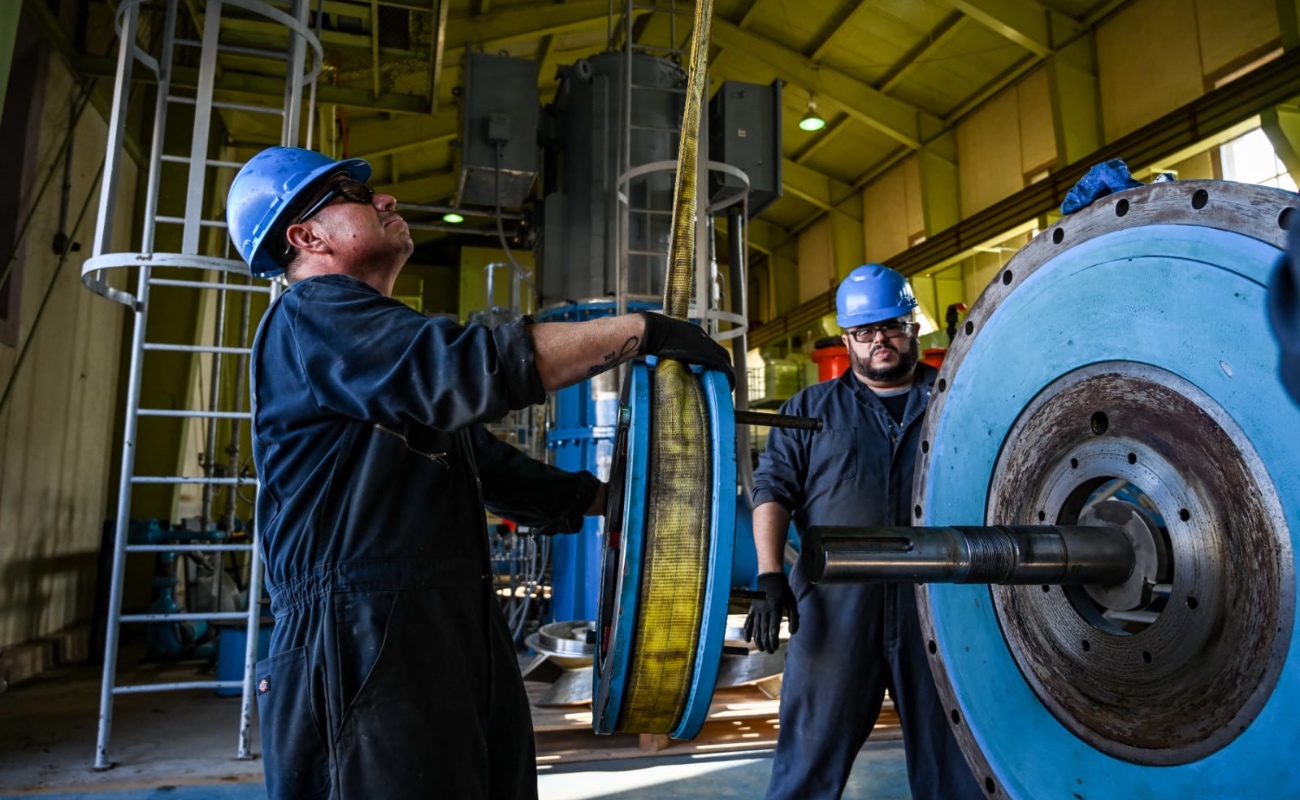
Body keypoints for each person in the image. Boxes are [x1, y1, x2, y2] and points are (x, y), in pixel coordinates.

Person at [224, 146, 734, 800]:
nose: (385, 200)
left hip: (434, 621)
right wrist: (641, 331)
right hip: (356, 634)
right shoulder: (313, 312)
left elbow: (483, 463)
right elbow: (467, 368)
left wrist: (613, 501)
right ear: (306, 237)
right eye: (354, 193)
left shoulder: (373, 343)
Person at [743, 263, 982, 800]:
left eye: (892, 326)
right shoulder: (809, 411)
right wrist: (770, 575)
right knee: (807, 765)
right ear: (847, 338)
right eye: (865, 331)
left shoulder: (956, 400)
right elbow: (772, 491)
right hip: (836, 611)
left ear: (913, 327)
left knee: (956, 769)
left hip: (939, 609)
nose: (880, 340)